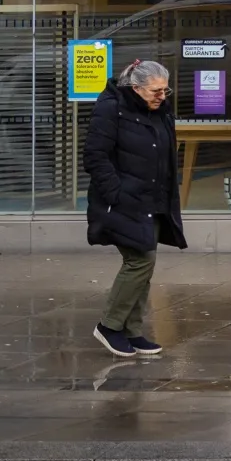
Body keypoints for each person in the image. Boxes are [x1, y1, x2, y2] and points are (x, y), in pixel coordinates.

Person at [84, 59, 187, 358]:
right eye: (155, 91)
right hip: (123, 201)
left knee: (146, 264)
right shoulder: (111, 108)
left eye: (165, 90)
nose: (161, 96)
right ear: (135, 88)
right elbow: (95, 156)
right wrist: (117, 193)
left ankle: (132, 331)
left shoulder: (159, 111)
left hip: (153, 200)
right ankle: (109, 326)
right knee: (139, 261)